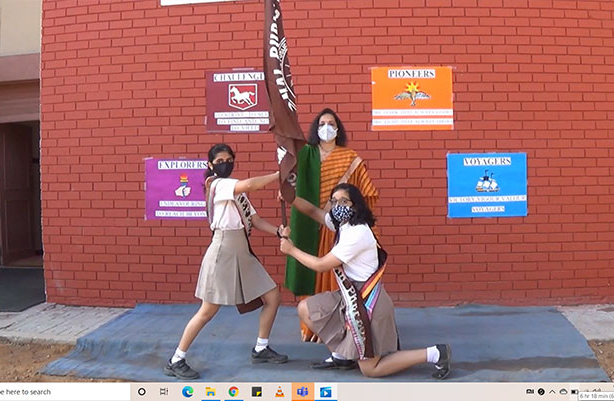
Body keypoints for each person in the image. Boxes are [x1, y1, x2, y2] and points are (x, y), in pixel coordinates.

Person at [279, 183, 451, 379]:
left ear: (355, 205)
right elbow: (313, 211)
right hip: (349, 295)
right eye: (334, 202)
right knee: (306, 309)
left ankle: (435, 353)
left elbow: (321, 265)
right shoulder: (342, 224)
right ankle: (342, 356)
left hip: (369, 303)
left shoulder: (357, 233)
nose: (338, 206)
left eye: (344, 202)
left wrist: (291, 250)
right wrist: (291, 198)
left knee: (371, 369)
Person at [164, 143, 289, 380]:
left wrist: (278, 231)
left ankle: (261, 348)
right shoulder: (217, 184)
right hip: (223, 250)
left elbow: (255, 220)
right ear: (210, 165)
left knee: (273, 297)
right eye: (220, 161)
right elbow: (250, 185)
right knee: (207, 311)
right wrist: (278, 175)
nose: (225, 164)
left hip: (242, 249)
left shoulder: (235, 189)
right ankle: (176, 359)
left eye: (229, 160)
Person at [284, 108, 379, 354]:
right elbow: (292, 181)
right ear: (316, 128)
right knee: (311, 276)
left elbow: (366, 192)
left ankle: (342, 328)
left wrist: (346, 209)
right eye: (322, 123)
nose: (326, 127)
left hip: (337, 228)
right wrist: (288, 193)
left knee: (331, 275)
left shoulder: (349, 157)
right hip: (308, 225)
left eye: (331, 123)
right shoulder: (306, 155)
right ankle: (312, 328)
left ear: (338, 128)